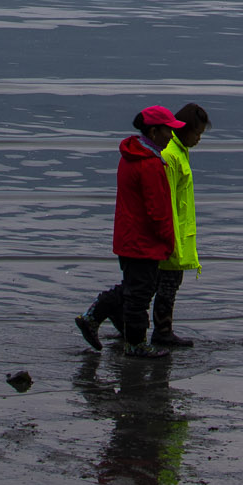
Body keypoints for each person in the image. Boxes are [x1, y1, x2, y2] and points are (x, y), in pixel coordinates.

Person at [77, 107, 185, 356]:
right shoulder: (149, 163)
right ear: (154, 131)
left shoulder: (131, 156)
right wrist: (169, 241)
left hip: (128, 238)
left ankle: (94, 317)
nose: (171, 135)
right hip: (143, 242)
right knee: (139, 294)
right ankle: (134, 344)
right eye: (168, 130)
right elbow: (158, 211)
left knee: (133, 287)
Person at [152, 103, 210, 349]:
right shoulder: (171, 155)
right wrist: (170, 238)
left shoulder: (178, 151)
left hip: (176, 234)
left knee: (164, 284)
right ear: (184, 130)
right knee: (166, 285)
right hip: (170, 236)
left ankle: (153, 328)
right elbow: (166, 201)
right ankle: (162, 331)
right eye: (196, 134)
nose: (198, 140)